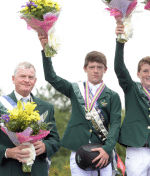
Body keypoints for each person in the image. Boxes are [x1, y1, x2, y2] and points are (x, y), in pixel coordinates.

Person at [38, 34, 122, 176]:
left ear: (105, 69)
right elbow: (51, 77)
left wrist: (108, 149)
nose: (95, 71)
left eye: (99, 67)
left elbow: (115, 125)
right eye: (92, 67)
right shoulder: (74, 89)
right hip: (78, 150)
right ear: (85, 68)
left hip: (102, 151)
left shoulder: (113, 96)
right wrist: (46, 51)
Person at [0, 62, 60, 176]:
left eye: (30, 77)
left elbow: (55, 140)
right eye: (22, 76)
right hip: (8, 170)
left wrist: (45, 147)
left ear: (35, 81)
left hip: (38, 171)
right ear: (13, 79)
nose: (27, 80)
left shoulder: (47, 107)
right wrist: (7, 152)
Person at [114, 23, 150, 176]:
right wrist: (120, 41)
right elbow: (119, 68)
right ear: (138, 74)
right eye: (145, 71)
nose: (149, 74)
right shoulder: (132, 89)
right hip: (136, 150)